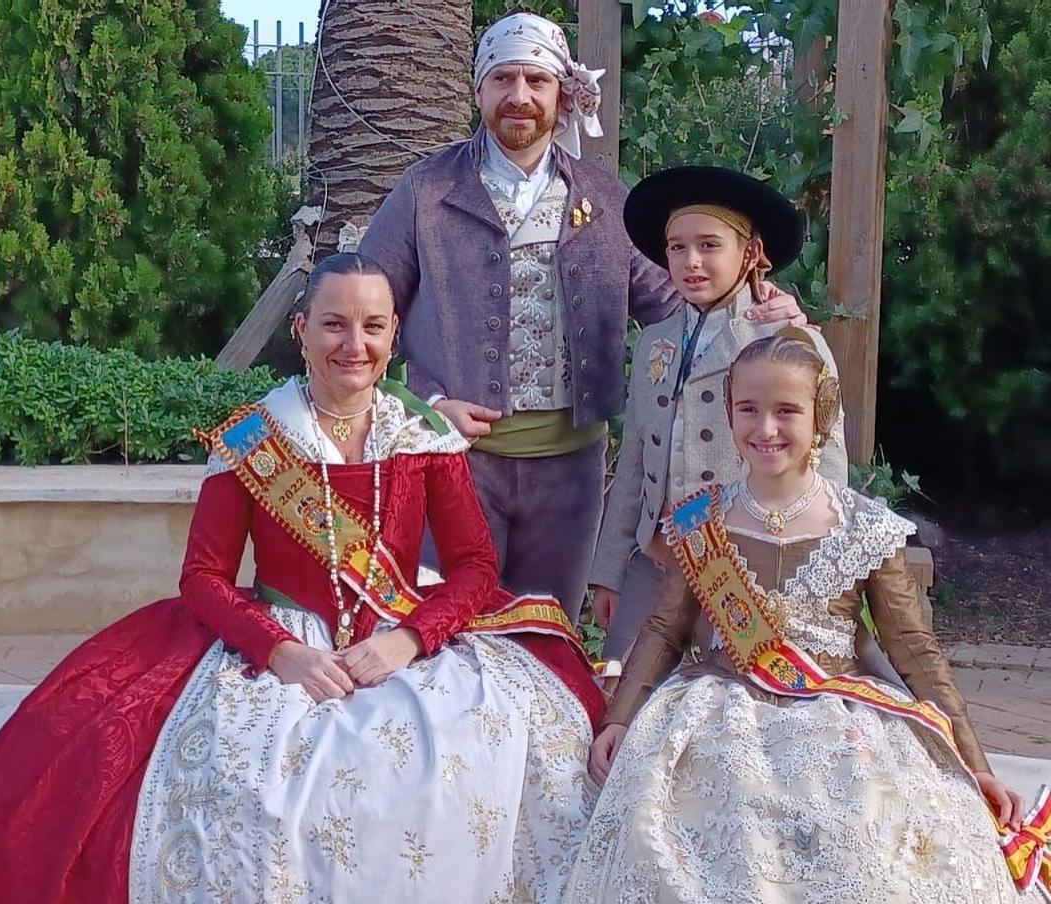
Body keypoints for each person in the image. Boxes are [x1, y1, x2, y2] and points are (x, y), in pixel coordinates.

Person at [0, 253, 605, 904]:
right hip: (278, 646)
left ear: (394, 334)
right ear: (301, 329)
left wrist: (408, 640)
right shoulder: (252, 438)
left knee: (474, 749)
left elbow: (475, 567)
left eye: (372, 326)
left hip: (401, 635)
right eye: (334, 324)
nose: (354, 345)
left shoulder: (421, 436)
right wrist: (281, 652)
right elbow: (203, 576)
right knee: (243, 779)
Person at [358, 13, 804, 623]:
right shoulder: (425, 191)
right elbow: (361, 306)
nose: (520, 96)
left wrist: (761, 306)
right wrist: (425, 407)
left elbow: (678, 302)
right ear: (479, 90)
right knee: (447, 631)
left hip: (571, 477)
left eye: (537, 81)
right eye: (503, 79)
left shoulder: (604, 198)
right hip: (454, 463)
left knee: (548, 635)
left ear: (562, 94)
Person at [564, 331, 1026, 903]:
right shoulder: (698, 521)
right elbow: (664, 630)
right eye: (748, 409)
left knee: (867, 840)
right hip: (717, 708)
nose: (765, 429)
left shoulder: (864, 526)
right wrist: (619, 719)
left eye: (786, 411)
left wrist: (975, 763)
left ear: (820, 416)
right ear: (729, 412)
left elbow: (913, 648)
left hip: (839, 715)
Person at [589, 166, 849, 660]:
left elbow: (828, 465)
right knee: (622, 686)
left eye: (709, 245)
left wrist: (819, 575)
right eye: (677, 247)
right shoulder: (654, 342)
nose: (691, 261)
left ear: (750, 253)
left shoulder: (789, 342)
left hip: (746, 566)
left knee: (735, 691)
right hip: (656, 561)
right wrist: (610, 571)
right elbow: (636, 462)